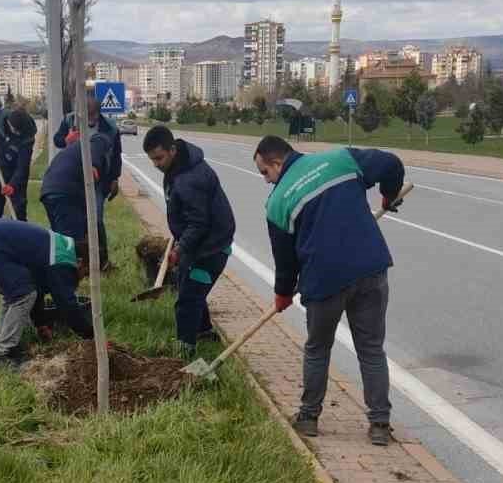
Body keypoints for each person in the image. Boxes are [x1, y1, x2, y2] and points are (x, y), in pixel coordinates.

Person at [253, 135, 405, 446]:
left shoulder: (278, 201)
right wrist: (389, 195)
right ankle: (379, 424)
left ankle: (308, 418)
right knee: (371, 349)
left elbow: (286, 261)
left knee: (318, 349)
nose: (267, 181)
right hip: (370, 269)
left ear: (277, 163)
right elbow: (391, 163)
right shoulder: (340, 159)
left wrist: (282, 293)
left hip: (324, 282)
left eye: (265, 173)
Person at [141, 125, 235, 356]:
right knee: (189, 286)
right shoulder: (178, 166)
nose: (156, 164)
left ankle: (184, 351)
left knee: (187, 300)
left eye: (159, 158)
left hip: (211, 249)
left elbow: (198, 224)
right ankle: (204, 332)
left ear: (173, 150)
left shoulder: (189, 179)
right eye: (152, 160)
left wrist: (179, 249)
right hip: (200, 243)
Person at [0, 218, 92, 365]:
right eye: (85, 272)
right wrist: (90, 336)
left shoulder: (63, 248)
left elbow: (37, 286)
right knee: (22, 294)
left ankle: (7, 345)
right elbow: (67, 304)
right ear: (79, 262)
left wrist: (40, 323)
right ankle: (4, 354)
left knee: (16, 293)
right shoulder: (61, 260)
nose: (83, 277)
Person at [54, 96, 122, 267]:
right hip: (73, 179)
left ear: (98, 112)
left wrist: (115, 178)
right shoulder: (70, 120)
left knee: (96, 219)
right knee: (73, 220)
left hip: (99, 180)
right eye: (86, 113)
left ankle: (103, 261)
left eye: (92, 115)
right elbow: (57, 140)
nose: (89, 119)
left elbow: (116, 157)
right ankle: (72, 260)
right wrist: (66, 140)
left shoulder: (110, 128)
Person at [39, 126, 112, 241]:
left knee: (60, 239)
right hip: (65, 194)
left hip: (48, 192)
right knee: (71, 243)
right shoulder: (97, 143)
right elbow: (97, 148)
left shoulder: (74, 149)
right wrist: (94, 165)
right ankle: (72, 258)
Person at [0, 104, 37, 221]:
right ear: (9, 123)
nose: (16, 133)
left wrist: (12, 185)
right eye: (14, 130)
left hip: (16, 183)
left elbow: (22, 167)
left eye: (19, 132)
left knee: (18, 218)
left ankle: (19, 236)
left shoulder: (27, 138)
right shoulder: (2, 116)